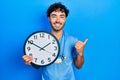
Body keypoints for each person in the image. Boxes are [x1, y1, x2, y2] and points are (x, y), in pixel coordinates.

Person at [23, 2, 88, 80]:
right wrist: (30, 61)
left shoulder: (72, 40)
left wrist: (80, 53)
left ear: (65, 19)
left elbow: (79, 66)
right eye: (54, 16)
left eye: (61, 16)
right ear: (49, 18)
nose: (58, 20)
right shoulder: (40, 39)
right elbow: (37, 64)